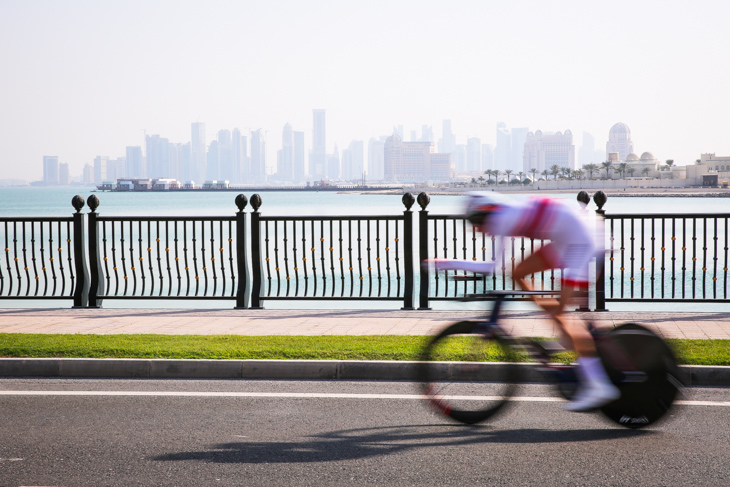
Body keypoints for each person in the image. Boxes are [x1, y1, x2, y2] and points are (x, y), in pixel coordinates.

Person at [430, 192, 619, 412]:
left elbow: (491, 267)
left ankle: (600, 386)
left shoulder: (502, 219)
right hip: (569, 236)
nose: (475, 229)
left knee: (562, 316)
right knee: (518, 272)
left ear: (486, 214)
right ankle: (565, 333)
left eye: (475, 223)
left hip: (581, 239)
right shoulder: (505, 215)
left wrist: (443, 263)